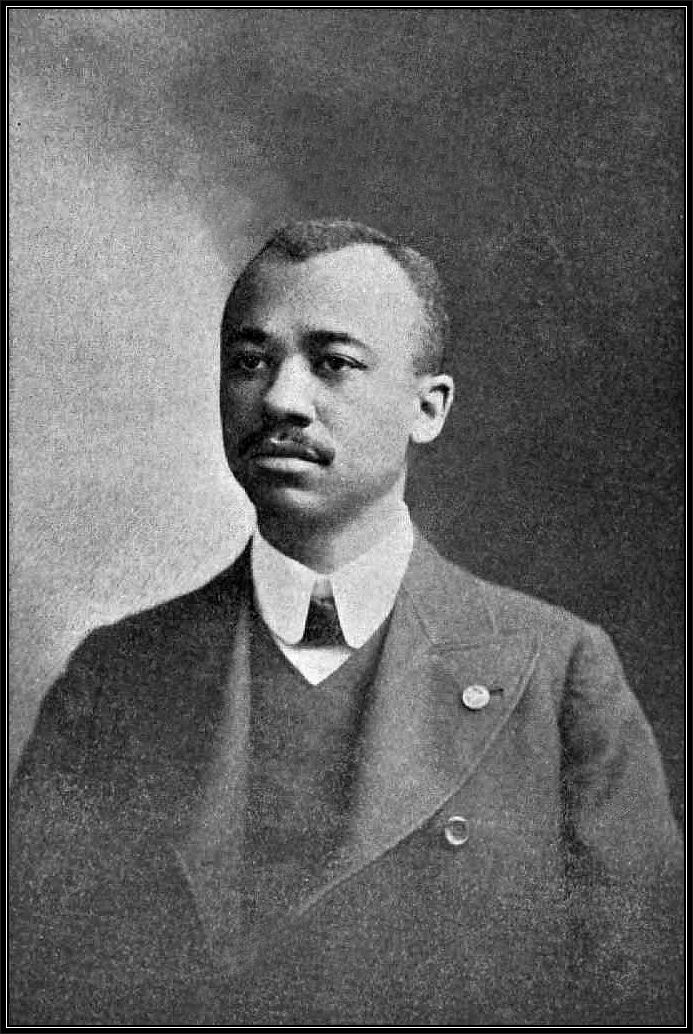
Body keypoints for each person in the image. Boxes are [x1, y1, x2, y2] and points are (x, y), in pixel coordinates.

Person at [9, 219, 684, 1026]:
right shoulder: (115, 680)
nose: (280, 399)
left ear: (426, 408)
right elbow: (34, 981)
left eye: (332, 363)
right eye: (249, 362)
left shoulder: (559, 674)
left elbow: (640, 997)